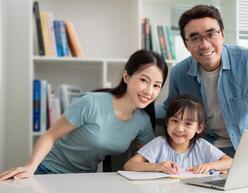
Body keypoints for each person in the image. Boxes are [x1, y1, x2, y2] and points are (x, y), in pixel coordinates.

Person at [156, 5, 248, 161]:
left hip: (246, 151)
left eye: (211, 34)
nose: (205, 44)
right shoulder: (179, 73)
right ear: (186, 44)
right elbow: (169, 112)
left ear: (222, 34)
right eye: (195, 38)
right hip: (201, 154)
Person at [0, 49, 168, 180]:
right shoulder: (91, 103)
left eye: (156, 85)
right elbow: (50, 136)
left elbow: (144, 160)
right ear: (126, 76)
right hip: (49, 171)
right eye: (144, 80)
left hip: (86, 178)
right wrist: (30, 167)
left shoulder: (142, 121)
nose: (149, 91)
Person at [124, 95, 232, 175]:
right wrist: (157, 166)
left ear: (199, 128)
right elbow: (129, 165)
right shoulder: (159, 144)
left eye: (188, 124)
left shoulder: (201, 145)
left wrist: (209, 166)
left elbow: (230, 162)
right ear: (167, 122)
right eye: (174, 121)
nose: (179, 129)